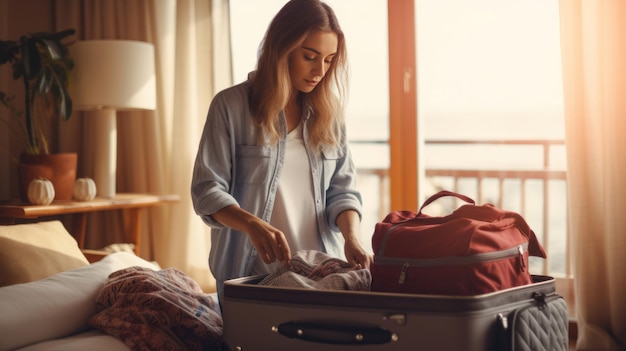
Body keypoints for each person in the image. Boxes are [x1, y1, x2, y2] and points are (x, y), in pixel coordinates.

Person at [191, 0, 373, 305]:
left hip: (320, 279)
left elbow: (343, 192)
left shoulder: (329, 115)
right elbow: (207, 190)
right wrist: (251, 223)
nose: (320, 70)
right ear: (282, 48)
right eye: (310, 56)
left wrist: (352, 238)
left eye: (329, 60)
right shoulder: (231, 107)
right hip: (252, 279)